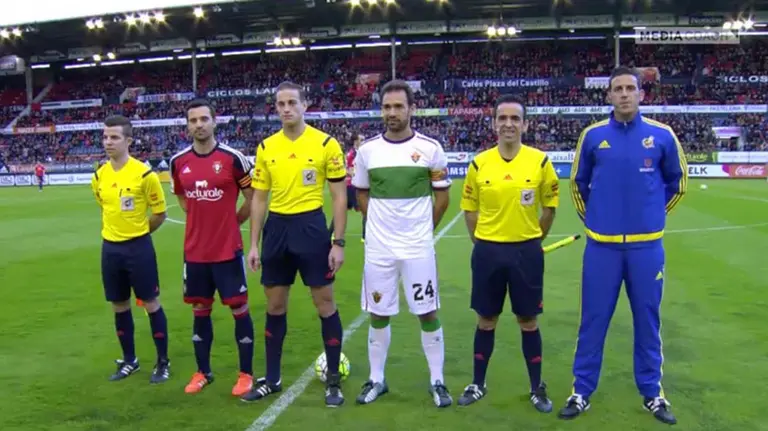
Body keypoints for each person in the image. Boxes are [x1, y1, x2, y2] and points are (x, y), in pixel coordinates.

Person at [558, 66, 687, 425]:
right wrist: (598, 223)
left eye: (631, 88)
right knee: (593, 320)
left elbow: (678, 184)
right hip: (602, 249)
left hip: (647, 250)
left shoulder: (662, 135)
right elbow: (577, 185)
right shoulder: (593, 135)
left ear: (641, 94)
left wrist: (651, 219)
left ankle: (652, 393)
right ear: (609, 95)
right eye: (618, 89)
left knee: (648, 320)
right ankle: (581, 390)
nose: (625, 94)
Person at [242, 81, 348, 407]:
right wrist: (254, 243)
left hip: (311, 228)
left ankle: (333, 380)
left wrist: (338, 242)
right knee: (275, 306)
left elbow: (339, 195)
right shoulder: (265, 147)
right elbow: (259, 198)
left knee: (324, 303)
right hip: (277, 230)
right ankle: (271, 379)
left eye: (292, 102)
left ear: (305, 104)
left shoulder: (325, 144)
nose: (286, 108)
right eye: (280, 104)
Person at [352, 80, 453, 408]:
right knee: (378, 313)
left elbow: (442, 199)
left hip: (417, 249)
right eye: (386, 107)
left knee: (427, 311)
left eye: (398, 106)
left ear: (411, 109)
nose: (392, 113)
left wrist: (422, 230)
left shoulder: (430, 148)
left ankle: (437, 380)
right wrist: (381, 225)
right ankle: (377, 379)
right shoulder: (367, 152)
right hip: (379, 250)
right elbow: (361, 194)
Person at [456, 95, 559, 413]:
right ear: (493, 124)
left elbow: (549, 208)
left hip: (526, 253)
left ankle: (536, 387)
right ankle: (477, 383)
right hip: (487, 251)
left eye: (515, 118)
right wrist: (483, 242)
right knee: (486, 320)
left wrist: (530, 240)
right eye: (503, 118)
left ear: (526, 124)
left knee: (528, 320)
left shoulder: (540, 162)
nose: (508, 124)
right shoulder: (478, 163)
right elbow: (470, 211)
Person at [169, 99, 256, 397]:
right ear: (187, 125)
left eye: (204, 119)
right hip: (195, 253)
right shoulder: (178, 162)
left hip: (227, 250)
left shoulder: (233, 159)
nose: (199, 125)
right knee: (199, 310)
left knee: (239, 309)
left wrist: (233, 221)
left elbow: (253, 197)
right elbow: (182, 199)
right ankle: (202, 371)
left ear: (214, 121)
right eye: (193, 120)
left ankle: (245, 374)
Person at [90, 115, 170, 383]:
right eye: (105, 137)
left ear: (128, 140)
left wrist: (138, 233)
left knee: (150, 303)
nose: (108, 142)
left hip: (138, 248)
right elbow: (103, 205)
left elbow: (159, 213)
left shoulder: (145, 175)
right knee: (119, 305)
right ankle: (130, 360)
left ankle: (162, 362)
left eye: (114, 137)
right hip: (110, 249)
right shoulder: (99, 174)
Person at [329, 134, 366, 242]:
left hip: (353, 185)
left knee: (344, 210)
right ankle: (365, 236)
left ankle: (330, 233)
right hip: (352, 187)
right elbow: (348, 170)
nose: (363, 141)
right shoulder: (352, 154)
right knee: (366, 209)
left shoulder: (358, 152)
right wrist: (360, 174)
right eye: (361, 139)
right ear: (356, 141)